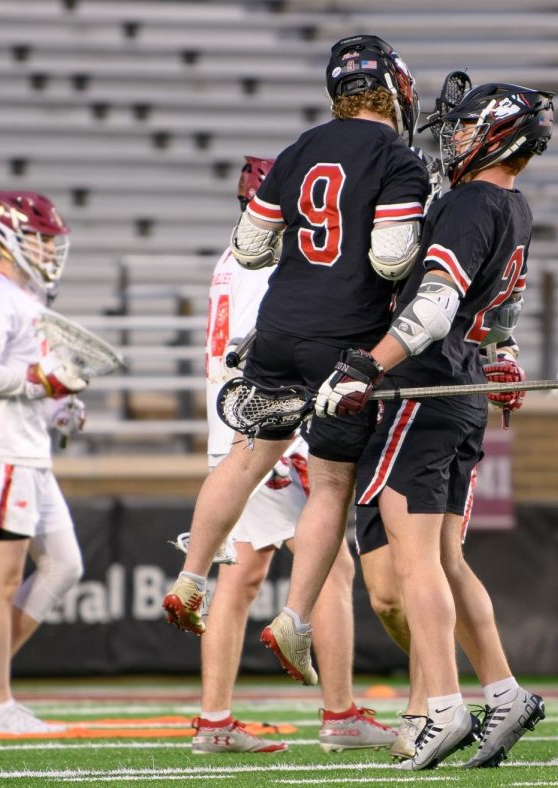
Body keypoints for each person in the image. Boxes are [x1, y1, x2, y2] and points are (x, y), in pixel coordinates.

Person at [161, 34, 429, 692]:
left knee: (248, 456)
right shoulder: (399, 157)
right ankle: (294, 617)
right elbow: (393, 258)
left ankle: (191, 575)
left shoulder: (299, 148)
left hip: (278, 327)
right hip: (343, 340)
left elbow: (251, 247)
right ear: (395, 89)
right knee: (332, 483)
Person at [312, 82, 554, 770]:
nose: (452, 138)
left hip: (425, 387)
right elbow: (504, 308)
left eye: (467, 127)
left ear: (499, 134)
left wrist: (366, 366)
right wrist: (502, 357)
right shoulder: (516, 205)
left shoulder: (472, 202)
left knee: (419, 562)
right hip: (462, 390)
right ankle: (504, 693)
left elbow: (434, 306)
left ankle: (445, 707)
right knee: (446, 559)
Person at [185, 156, 393, 754]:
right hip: (265, 431)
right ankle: (339, 714)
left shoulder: (233, 259)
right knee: (328, 567)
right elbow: (266, 354)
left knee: (244, 575)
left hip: (238, 428)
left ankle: (216, 720)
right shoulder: (267, 264)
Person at [0, 190, 88, 734]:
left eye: (53, 241)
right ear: (4, 236)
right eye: (39, 239)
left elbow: (29, 383)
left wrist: (60, 408)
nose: (49, 250)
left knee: (64, 565)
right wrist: (40, 383)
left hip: (26, 448)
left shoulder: (27, 299)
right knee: (1, 577)